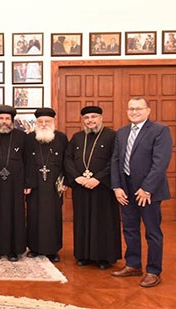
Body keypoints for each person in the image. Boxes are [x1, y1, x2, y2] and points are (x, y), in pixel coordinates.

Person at [111, 97, 172, 288]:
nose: (134, 112)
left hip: (148, 192)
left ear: (148, 111)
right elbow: (115, 161)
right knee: (129, 229)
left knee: (152, 232)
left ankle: (153, 271)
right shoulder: (121, 132)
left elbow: (160, 163)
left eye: (138, 108)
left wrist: (147, 189)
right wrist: (117, 187)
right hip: (126, 189)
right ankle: (133, 264)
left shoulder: (159, 131)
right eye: (131, 108)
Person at [64, 106, 121, 270]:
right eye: (87, 118)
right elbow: (67, 159)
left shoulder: (112, 136)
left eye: (94, 117)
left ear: (101, 118)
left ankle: (104, 257)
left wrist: (97, 179)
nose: (90, 120)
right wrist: (77, 177)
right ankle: (83, 255)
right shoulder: (77, 137)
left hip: (102, 187)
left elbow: (115, 161)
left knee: (103, 222)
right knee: (82, 221)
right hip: (81, 187)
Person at [0, 105, 29, 261]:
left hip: (16, 185)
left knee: (15, 216)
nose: (4, 121)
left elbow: (27, 162)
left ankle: (14, 250)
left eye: (7, 119)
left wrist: (26, 184)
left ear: (12, 121)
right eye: (1, 118)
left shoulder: (22, 137)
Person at [25, 108, 68, 262]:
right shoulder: (29, 138)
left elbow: (66, 161)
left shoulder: (61, 138)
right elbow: (25, 163)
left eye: (47, 121)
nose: (44, 124)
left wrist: (66, 182)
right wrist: (26, 183)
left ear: (53, 122)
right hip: (34, 185)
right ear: (36, 123)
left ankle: (53, 250)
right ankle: (34, 248)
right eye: (40, 122)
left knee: (53, 217)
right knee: (34, 216)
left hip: (54, 186)